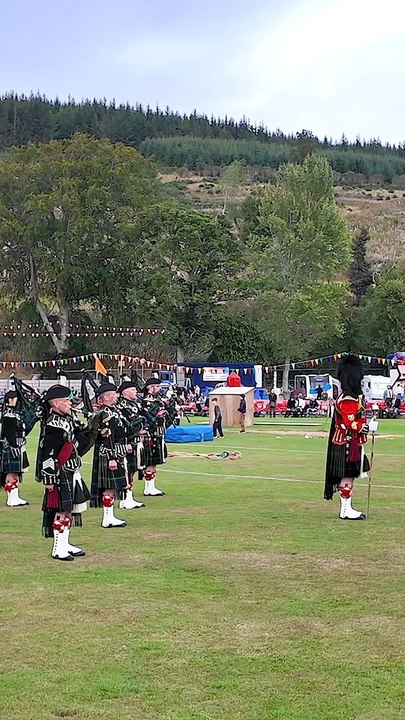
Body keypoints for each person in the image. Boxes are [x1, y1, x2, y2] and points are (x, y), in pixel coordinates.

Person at [36, 385, 99, 560]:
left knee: (69, 510)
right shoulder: (53, 425)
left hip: (72, 470)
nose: (70, 403)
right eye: (66, 400)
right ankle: (57, 548)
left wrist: (93, 429)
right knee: (61, 510)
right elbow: (47, 454)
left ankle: (65, 543)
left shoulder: (67, 419)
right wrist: (49, 479)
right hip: (59, 473)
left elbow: (78, 442)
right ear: (55, 404)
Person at [324, 355, 369, 520]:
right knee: (347, 476)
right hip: (347, 443)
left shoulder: (349, 397)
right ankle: (345, 510)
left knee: (349, 476)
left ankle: (347, 508)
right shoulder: (348, 399)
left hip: (348, 442)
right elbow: (351, 424)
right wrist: (365, 426)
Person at [90, 382, 128, 528]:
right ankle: (107, 518)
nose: (116, 396)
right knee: (109, 486)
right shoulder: (104, 413)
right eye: (113, 394)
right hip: (108, 453)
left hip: (116, 451)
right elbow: (106, 436)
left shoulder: (114, 411)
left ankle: (110, 516)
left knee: (112, 486)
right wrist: (112, 457)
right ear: (105, 397)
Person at [140, 378, 177, 496]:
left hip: (159, 434)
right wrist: (157, 414)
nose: (159, 388)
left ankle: (151, 486)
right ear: (150, 388)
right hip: (150, 436)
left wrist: (171, 404)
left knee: (154, 462)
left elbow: (167, 418)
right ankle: (148, 487)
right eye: (156, 386)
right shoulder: (146, 402)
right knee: (149, 461)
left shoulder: (159, 401)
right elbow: (147, 419)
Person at [117, 380, 146, 509]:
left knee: (132, 470)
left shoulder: (134, 405)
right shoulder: (121, 407)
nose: (136, 392)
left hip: (135, 442)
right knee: (127, 470)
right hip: (127, 444)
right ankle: (125, 499)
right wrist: (128, 440)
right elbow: (123, 427)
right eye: (133, 390)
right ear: (125, 392)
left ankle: (129, 497)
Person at [0, 390, 31, 507]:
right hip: (12, 446)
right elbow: (9, 433)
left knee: (15, 473)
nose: (17, 400)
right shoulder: (9, 415)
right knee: (11, 473)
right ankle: (12, 498)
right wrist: (14, 446)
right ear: (10, 400)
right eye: (15, 398)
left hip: (18, 444)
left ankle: (14, 497)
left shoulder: (13, 413)